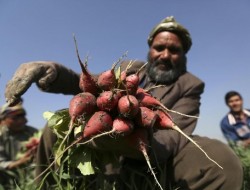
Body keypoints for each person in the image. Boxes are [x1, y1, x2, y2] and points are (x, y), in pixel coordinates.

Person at [4, 16, 243, 189]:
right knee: (57, 125)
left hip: (157, 153)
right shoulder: (133, 69)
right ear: (150, 49)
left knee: (221, 160)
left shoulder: (191, 84)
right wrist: (52, 71)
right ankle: (44, 184)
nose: (165, 54)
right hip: (108, 139)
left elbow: (173, 138)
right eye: (159, 48)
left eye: (174, 49)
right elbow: (84, 83)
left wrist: (131, 142)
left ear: (184, 55)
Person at [0, 102, 39, 189]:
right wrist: (20, 162)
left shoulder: (32, 132)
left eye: (22, 116)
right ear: (3, 120)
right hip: (6, 177)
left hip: (30, 175)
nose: (23, 120)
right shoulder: (1, 134)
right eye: (16, 117)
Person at [220, 91, 250, 189]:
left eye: (237, 100)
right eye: (231, 101)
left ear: (241, 101)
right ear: (227, 104)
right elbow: (237, 144)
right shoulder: (226, 123)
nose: (235, 103)